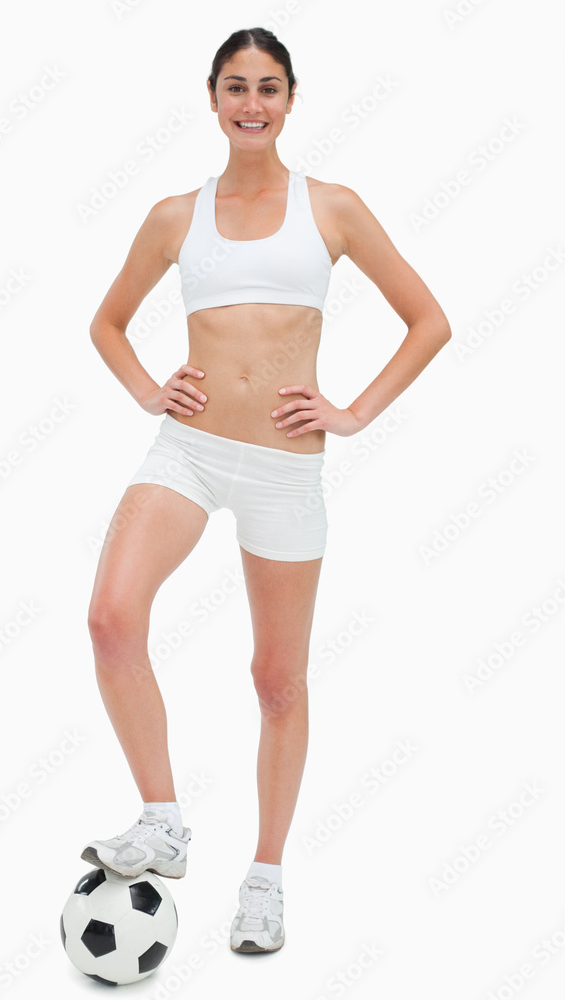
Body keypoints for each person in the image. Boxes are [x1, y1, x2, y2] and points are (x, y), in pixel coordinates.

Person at [81, 27, 452, 954]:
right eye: (236, 86)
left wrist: (352, 412)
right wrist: (148, 391)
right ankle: (162, 821)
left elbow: (428, 320)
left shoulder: (331, 207)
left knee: (276, 680)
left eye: (269, 87)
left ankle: (264, 879)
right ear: (211, 98)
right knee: (110, 618)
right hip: (188, 450)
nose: (252, 103)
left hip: (286, 466)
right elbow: (107, 322)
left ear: (290, 100)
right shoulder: (176, 216)